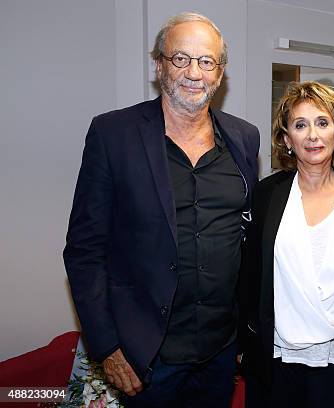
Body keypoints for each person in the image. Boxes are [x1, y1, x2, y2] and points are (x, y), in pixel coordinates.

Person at [63, 12, 259, 408]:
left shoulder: (243, 137)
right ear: (158, 65)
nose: (194, 72)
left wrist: (247, 334)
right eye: (180, 58)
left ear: (220, 73)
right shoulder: (112, 134)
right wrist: (107, 348)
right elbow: (84, 251)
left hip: (219, 353)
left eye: (207, 61)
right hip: (147, 356)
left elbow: (245, 239)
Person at [241, 81, 334, 407]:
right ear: (287, 140)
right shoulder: (265, 195)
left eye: (322, 122)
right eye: (301, 125)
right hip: (276, 357)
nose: (313, 135)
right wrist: (242, 343)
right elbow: (249, 272)